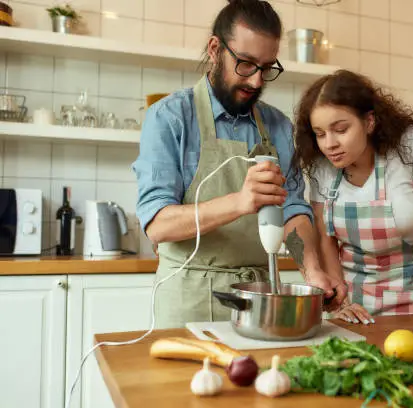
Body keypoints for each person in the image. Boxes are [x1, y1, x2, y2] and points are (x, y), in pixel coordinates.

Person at [132, 0, 346, 329]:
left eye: (267, 68)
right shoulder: (170, 118)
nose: (257, 81)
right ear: (215, 49)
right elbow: (158, 223)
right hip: (187, 300)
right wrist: (239, 202)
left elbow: (290, 209)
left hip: (258, 299)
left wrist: (312, 270)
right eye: (246, 64)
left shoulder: (278, 128)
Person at [290, 70, 413, 324]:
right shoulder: (322, 165)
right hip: (355, 311)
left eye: (340, 129)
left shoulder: (410, 145)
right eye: (320, 133)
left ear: (369, 122)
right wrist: (342, 304)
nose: (329, 144)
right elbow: (325, 239)